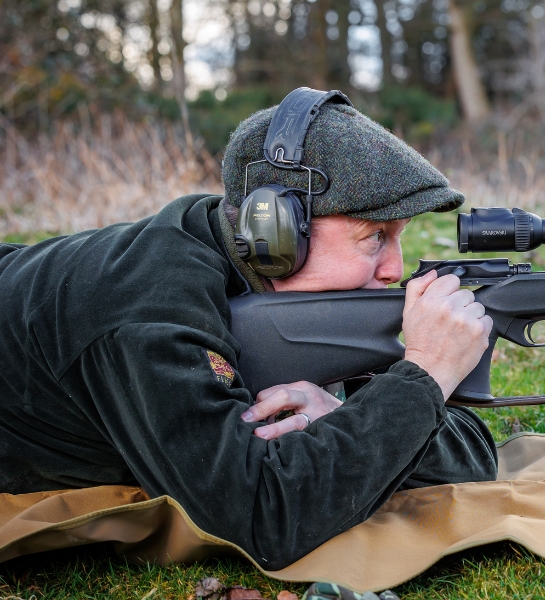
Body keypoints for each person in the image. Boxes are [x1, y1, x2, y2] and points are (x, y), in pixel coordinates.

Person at [0, 92, 497, 570]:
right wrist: (425, 374)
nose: (395, 269)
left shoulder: (278, 288)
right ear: (276, 232)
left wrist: (348, 412)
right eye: (373, 238)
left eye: (399, 237)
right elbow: (261, 520)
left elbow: (472, 459)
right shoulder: (149, 313)